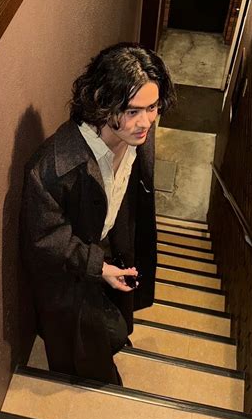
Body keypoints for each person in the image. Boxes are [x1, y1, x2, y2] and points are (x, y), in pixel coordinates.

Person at [20, 43, 175, 384]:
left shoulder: (137, 139)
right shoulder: (53, 168)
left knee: (116, 330)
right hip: (70, 275)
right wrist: (97, 267)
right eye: (133, 111)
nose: (146, 122)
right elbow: (45, 240)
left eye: (152, 107)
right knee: (89, 358)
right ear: (102, 102)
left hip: (109, 249)